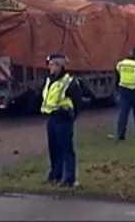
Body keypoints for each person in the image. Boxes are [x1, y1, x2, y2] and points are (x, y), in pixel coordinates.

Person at [40, 53, 83, 187]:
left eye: (53, 64)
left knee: (66, 149)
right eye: (49, 64)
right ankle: (55, 175)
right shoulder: (49, 80)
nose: (50, 67)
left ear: (60, 66)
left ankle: (69, 178)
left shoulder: (69, 82)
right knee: (54, 149)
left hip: (63, 118)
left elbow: (77, 101)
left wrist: (72, 115)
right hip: (51, 118)